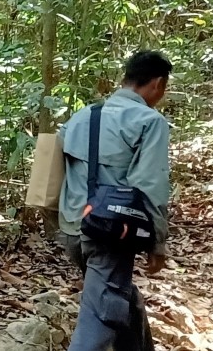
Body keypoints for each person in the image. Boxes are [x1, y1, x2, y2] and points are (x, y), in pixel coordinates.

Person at [58, 51, 173, 351]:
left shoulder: (82, 116)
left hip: (72, 228)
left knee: (119, 298)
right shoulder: (150, 121)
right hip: (110, 234)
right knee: (97, 324)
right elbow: (150, 185)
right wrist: (157, 242)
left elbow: (55, 169)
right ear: (158, 84)